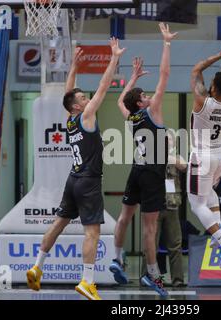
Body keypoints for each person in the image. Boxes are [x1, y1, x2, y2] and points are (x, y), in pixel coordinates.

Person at [25, 38, 125, 300]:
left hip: (73, 179)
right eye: (83, 98)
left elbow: (67, 94)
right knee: (92, 232)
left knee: (59, 223)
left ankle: (37, 266)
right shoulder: (86, 115)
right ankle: (87, 281)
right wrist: (113, 58)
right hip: (89, 181)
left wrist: (73, 68)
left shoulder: (70, 119)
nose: (87, 97)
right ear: (79, 107)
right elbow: (104, 87)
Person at [111, 23, 177, 297]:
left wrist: (133, 79)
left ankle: (116, 257)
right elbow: (165, 73)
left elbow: (119, 103)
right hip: (151, 174)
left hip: (136, 171)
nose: (149, 96)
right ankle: (153, 276)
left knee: (124, 217)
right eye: (144, 96)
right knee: (149, 228)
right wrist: (166, 43)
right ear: (141, 103)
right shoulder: (153, 112)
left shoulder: (132, 117)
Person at [188, 43, 221, 269]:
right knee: (209, 193)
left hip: (203, 155)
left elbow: (195, 70)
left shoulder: (203, 101)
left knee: (196, 204)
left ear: (212, 87)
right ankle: (218, 233)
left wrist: (219, 56)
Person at [142, 133, 187, 288]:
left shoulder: (177, 157)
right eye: (165, 140)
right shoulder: (149, 155)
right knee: (150, 243)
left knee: (175, 244)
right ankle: (146, 278)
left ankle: (178, 280)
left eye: (170, 140)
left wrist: (167, 156)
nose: (168, 142)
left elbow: (184, 166)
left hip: (172, 206)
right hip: (153, 206)